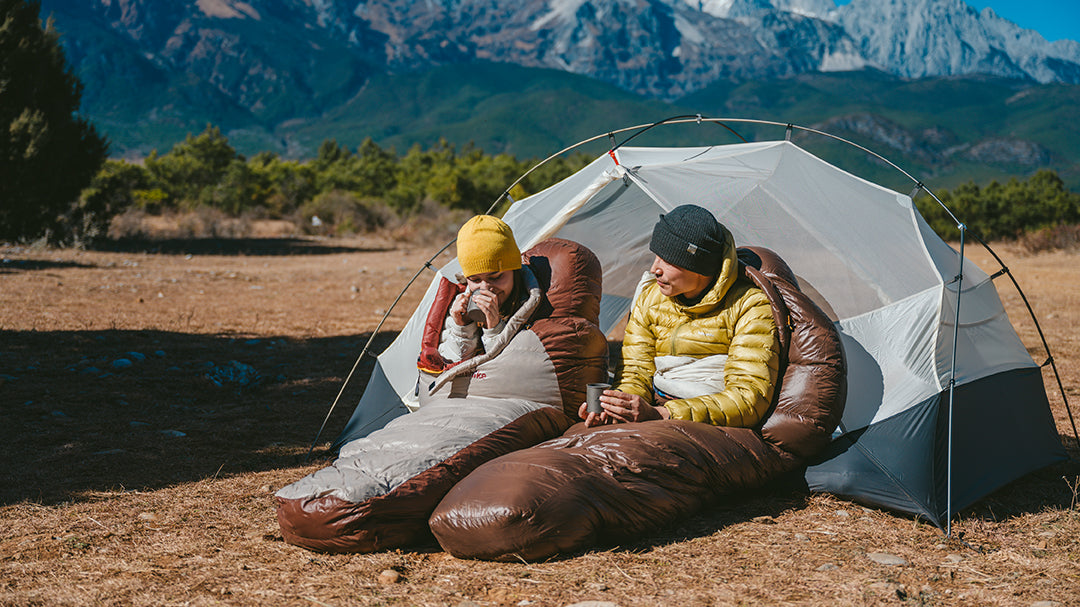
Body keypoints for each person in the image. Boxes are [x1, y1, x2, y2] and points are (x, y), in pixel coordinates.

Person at [580, 204, 781, 427]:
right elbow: (635, 373)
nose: (655, 268)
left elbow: (748, 397)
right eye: (656, 256)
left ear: (699, 266)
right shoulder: (650, 298)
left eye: (668, 260)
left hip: (712, 425)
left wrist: (663, 414)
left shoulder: (750, 306)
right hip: (657, 409)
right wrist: (617, 407)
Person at [438, 214, 527, 363]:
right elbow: (450, 365)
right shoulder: (460, 304)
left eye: (496, 277)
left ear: (515, 272)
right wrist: (462, 328)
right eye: (475, 280)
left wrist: (494, 329)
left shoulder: (532, 302)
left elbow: (515, 372)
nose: (485, 288)